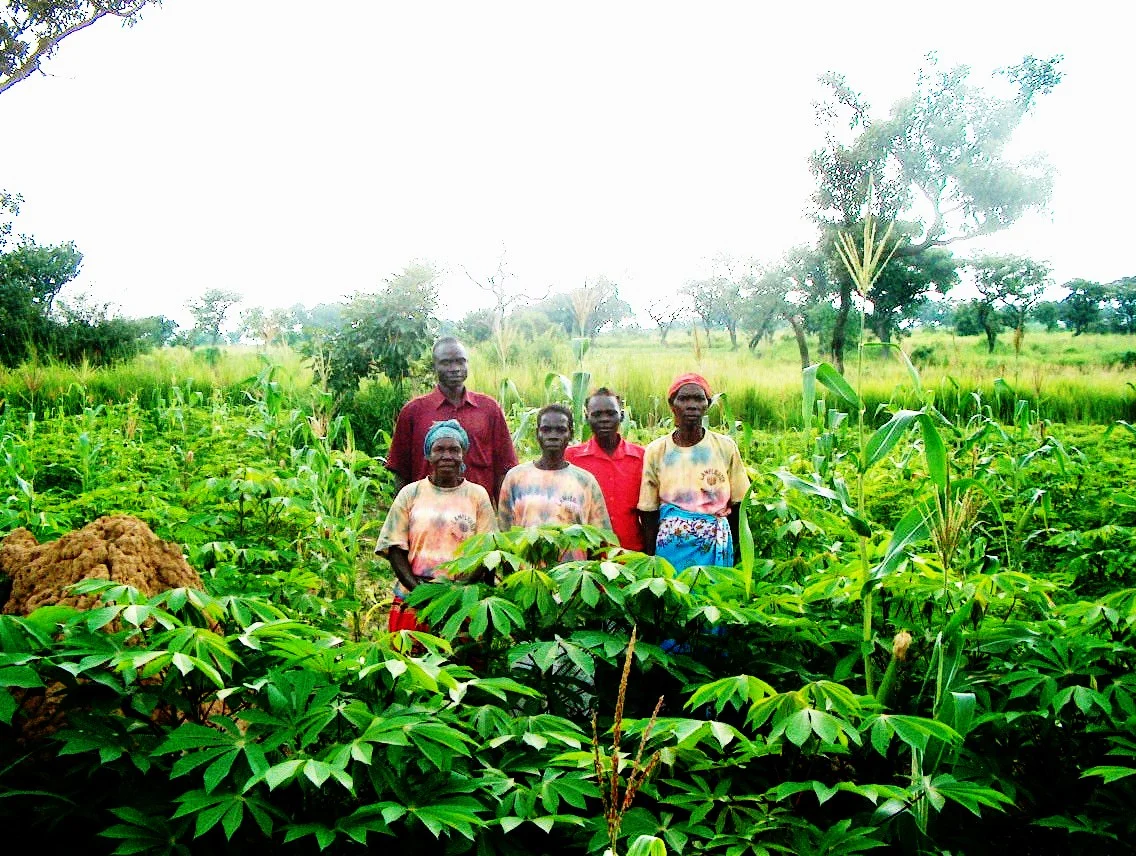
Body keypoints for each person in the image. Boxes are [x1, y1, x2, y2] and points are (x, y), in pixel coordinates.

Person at [375, 420, 497, 632]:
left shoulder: (477, 495)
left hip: (461, 600)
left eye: (454, 450)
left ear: (463, 455)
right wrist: (420, 593)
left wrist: (457, 591)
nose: (447, 456)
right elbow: (394, 547)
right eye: (439, 449)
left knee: (460, 663)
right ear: (428, 455)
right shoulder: (410, 493)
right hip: (414, 597)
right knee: (411, 663)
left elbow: (488, 550)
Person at [638, 373, 750, 571]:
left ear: (707, 405)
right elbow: (648, 510)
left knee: (713, 596)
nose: (691, 405)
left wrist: (734, 546)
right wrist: (651, 557)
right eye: (684, 399)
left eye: (698, 399)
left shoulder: (725, 447)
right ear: (672, 405)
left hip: (715, 544)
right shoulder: (656, 451)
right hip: (670, 548)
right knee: (674, 596)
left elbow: (740, 504)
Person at [386, 336, 517, 505]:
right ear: (434, 366)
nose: (455, 368)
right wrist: (401, 518)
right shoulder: (413, 412)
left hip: (477, 512)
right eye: (446, 363)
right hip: (426, 512)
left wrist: (503, 520)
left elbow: (503, 469)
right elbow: (401, 473)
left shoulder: (489, 409)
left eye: (460, 362)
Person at [498, 404, 612, 542]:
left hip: (575, 563)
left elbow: (601, 536)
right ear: (537, 433)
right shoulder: (515, 478)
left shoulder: (585, 481)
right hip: (526, 563)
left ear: (571, 434)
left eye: (560, 430)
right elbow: (505, 534)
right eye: (546, 430)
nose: (553, 436)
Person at [564, 388, 646, 551]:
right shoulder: (571, 458)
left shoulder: (641, 458)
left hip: (631, 554)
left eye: (610, 413)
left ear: (621, 416)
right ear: (587, 417)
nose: (604, 419)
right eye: (597, 415)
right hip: (585, 554)